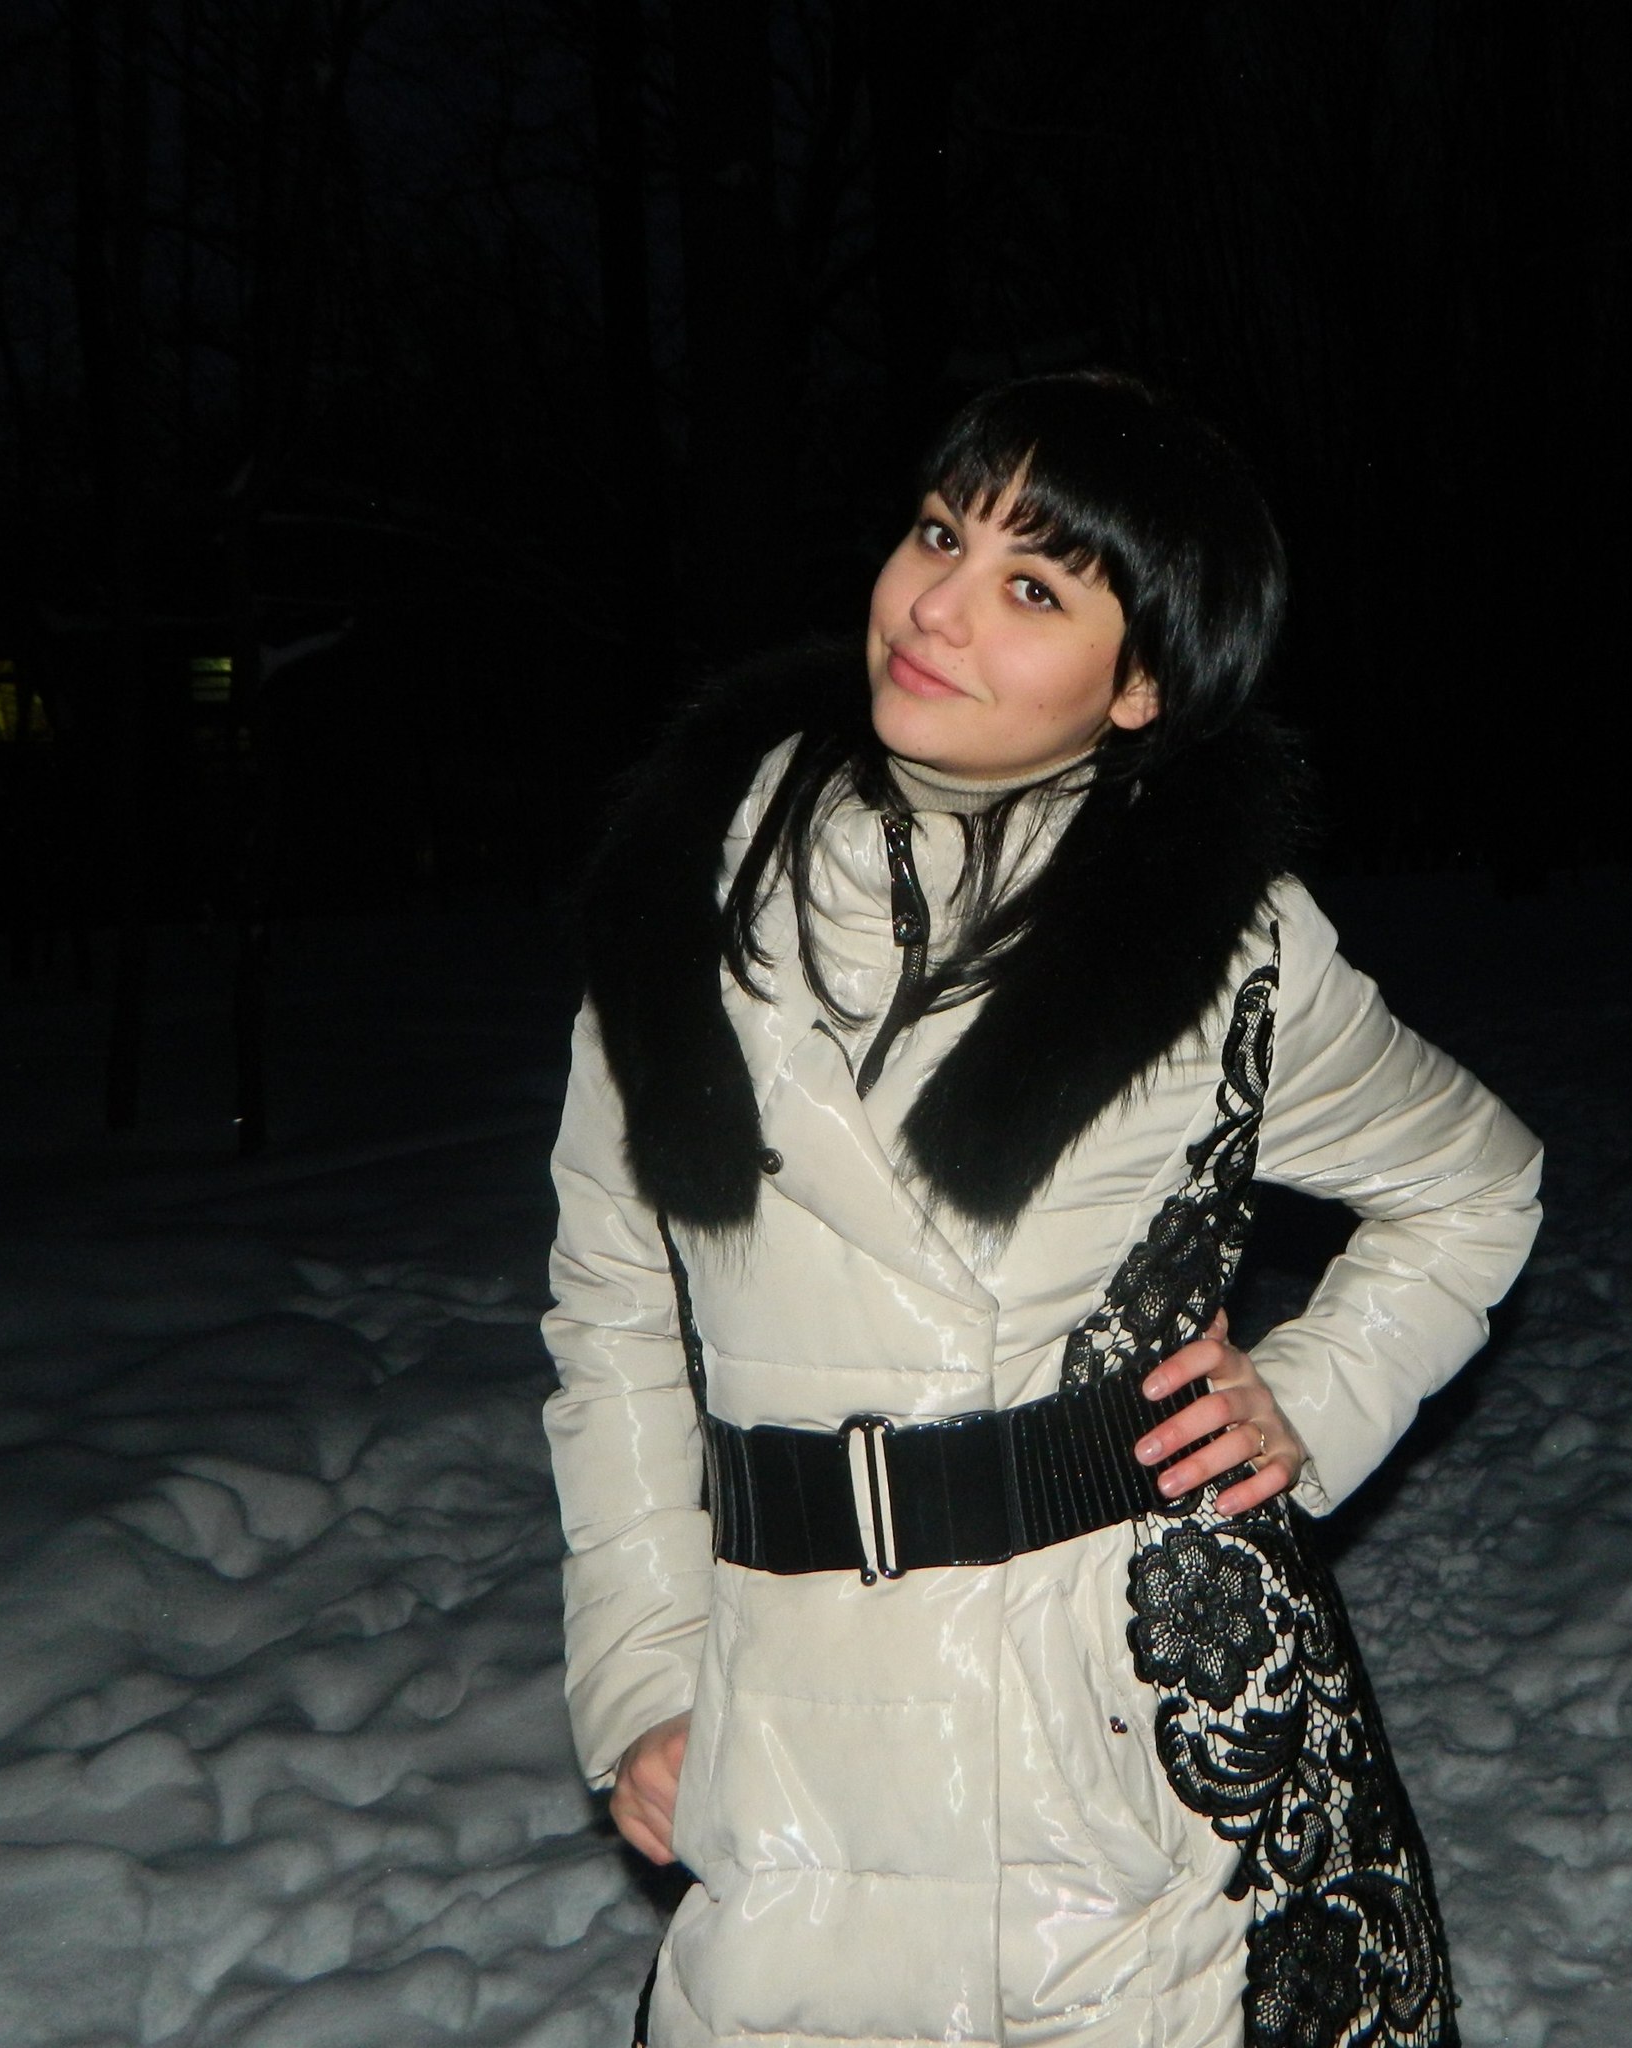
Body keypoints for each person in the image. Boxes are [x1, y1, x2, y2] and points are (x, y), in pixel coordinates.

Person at [542, 371, 1542, 2048]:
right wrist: (643, 1670)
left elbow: (1474, 1184)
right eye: (942, 535)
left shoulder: (1225, 948)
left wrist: (1311, 1391)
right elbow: (614, 1320)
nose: (938, 605)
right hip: (796, 1735)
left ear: (1141, 685)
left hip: (1132, 1757)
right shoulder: (686, 899)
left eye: (1033, 587)